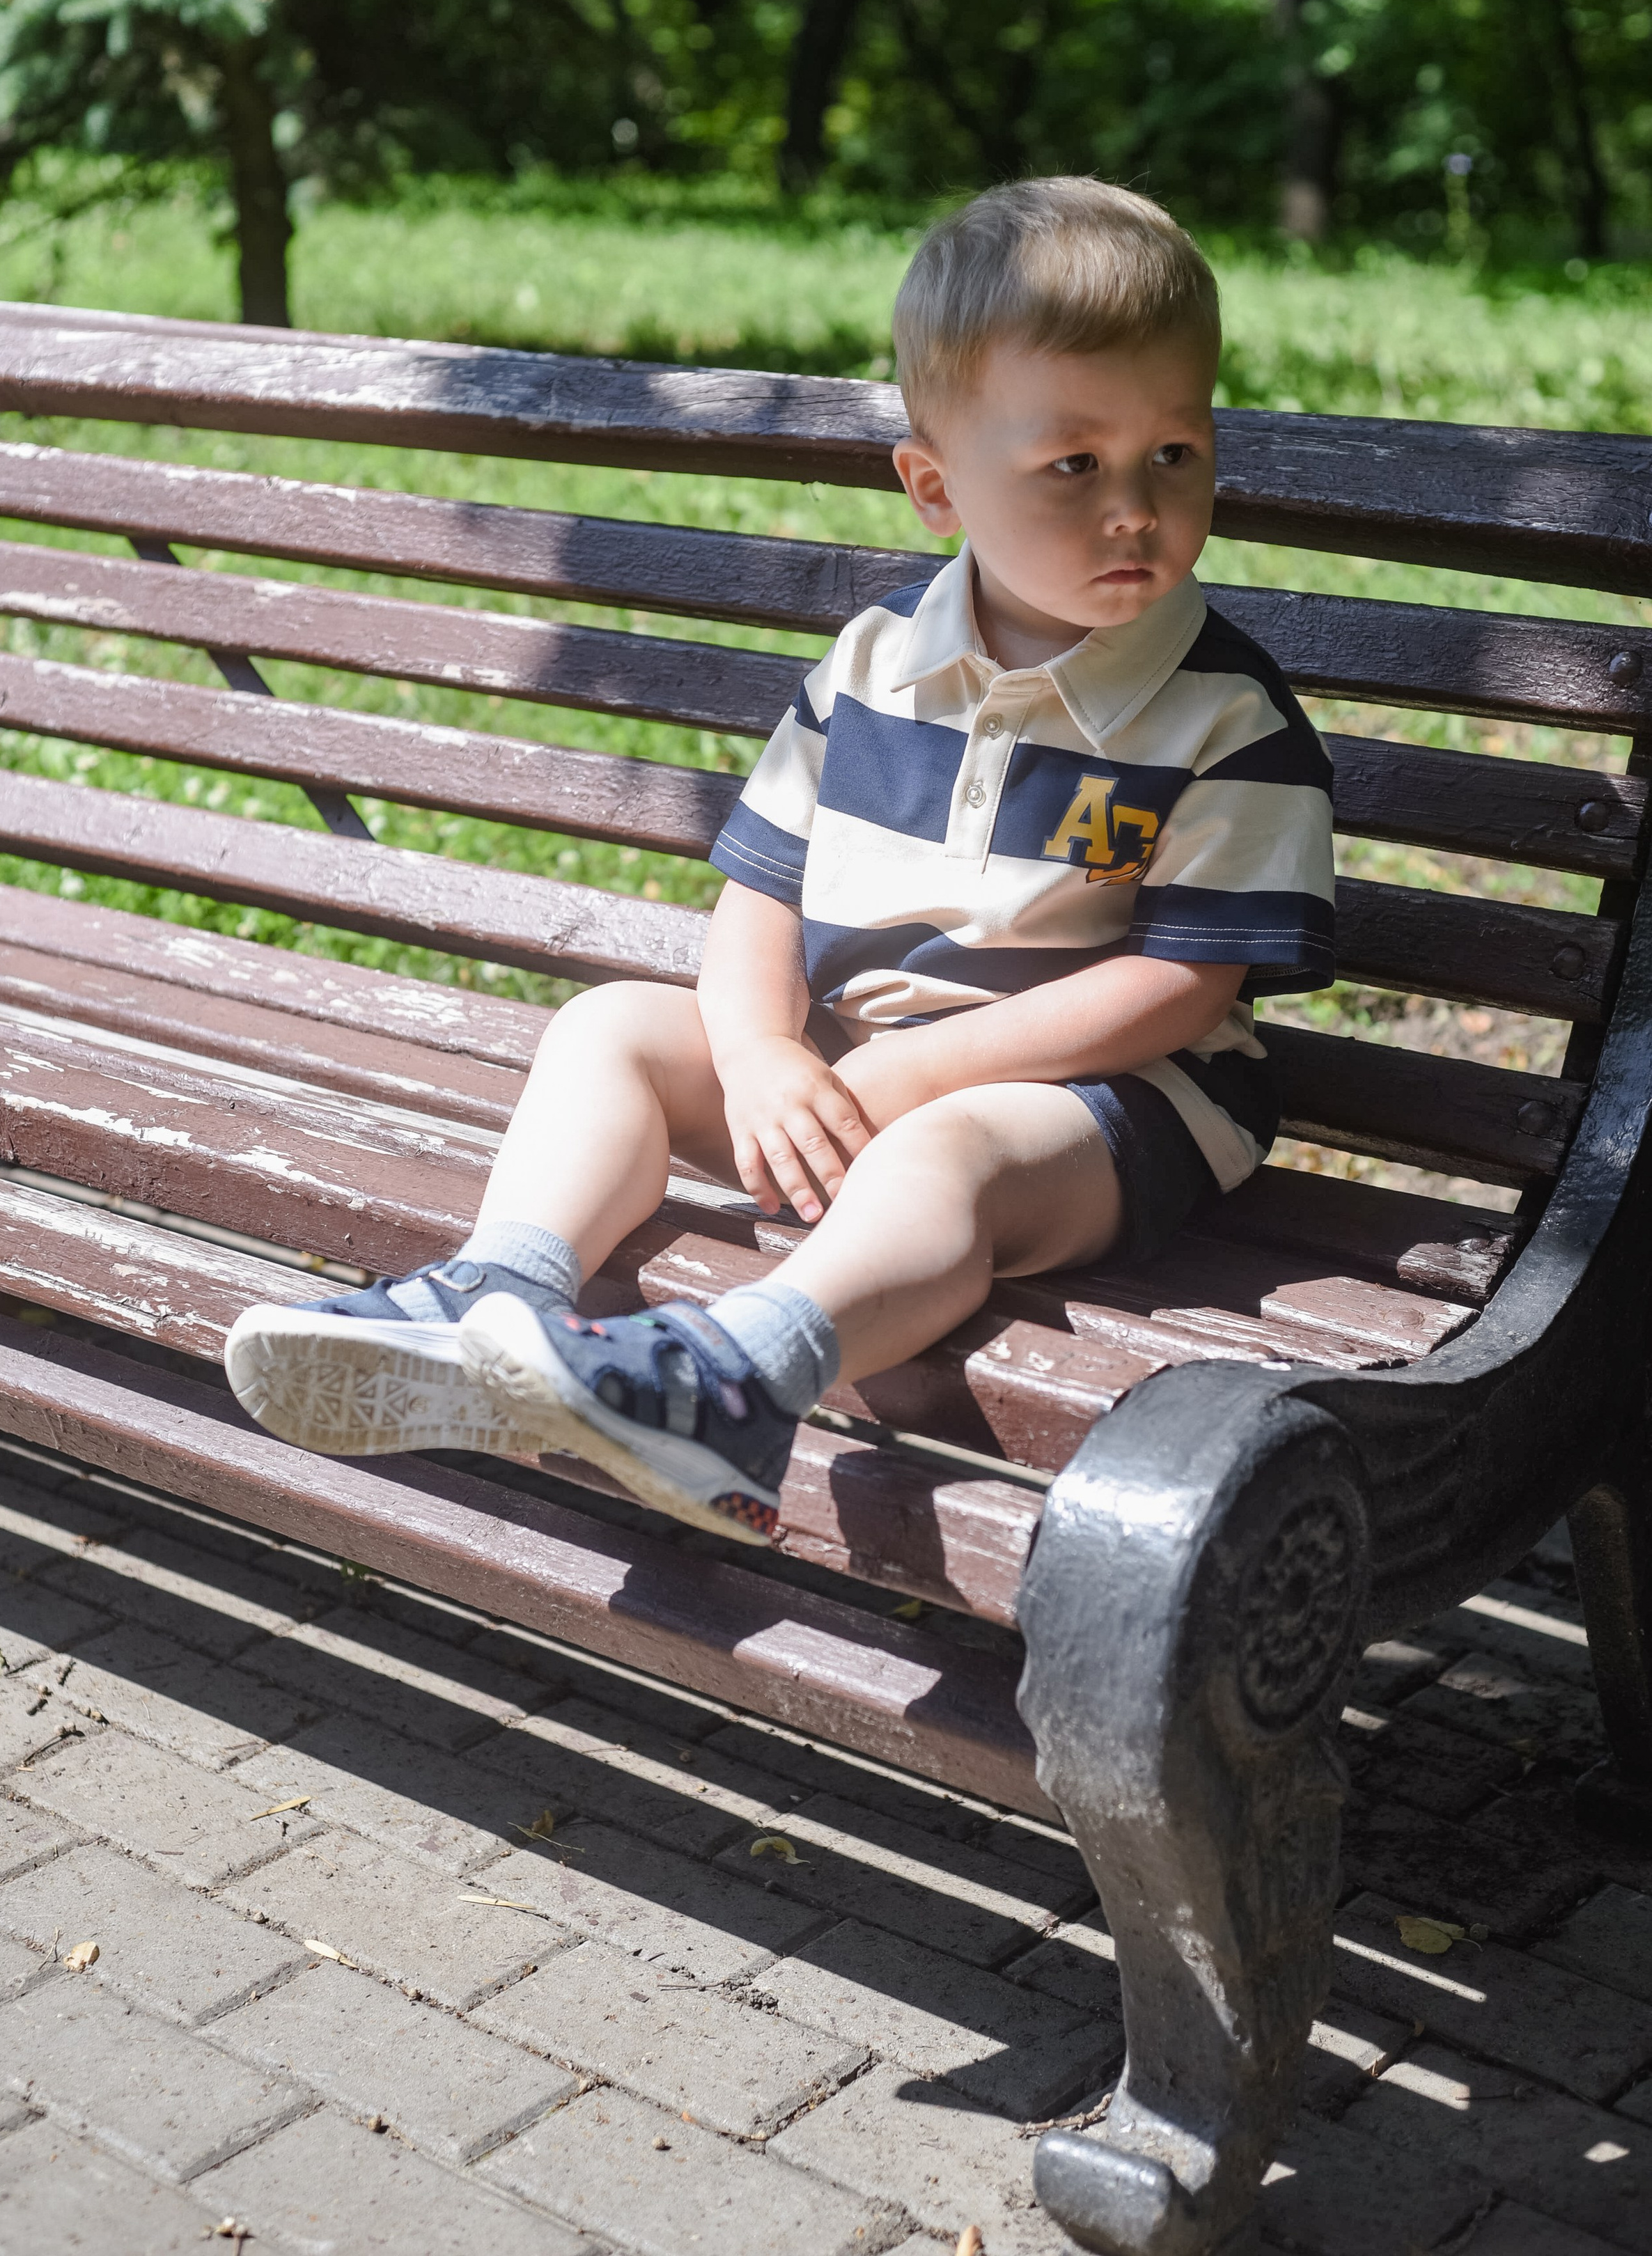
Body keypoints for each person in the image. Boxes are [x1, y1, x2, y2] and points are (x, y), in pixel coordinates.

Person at [224, 176, 1335, 1542]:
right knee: (614, 1029)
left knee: (947, 1151)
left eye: (1174, 453)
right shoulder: (875, 663)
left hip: (1114, 1105)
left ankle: (736, 1378)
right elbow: (761, 884)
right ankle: (497, 1293)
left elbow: (1180, 988)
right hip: (855, 1054)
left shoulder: (1219, 710)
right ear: (934, 487)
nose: (1133, 507)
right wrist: (757, 1056)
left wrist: (916, 1069)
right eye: (1073, 465)